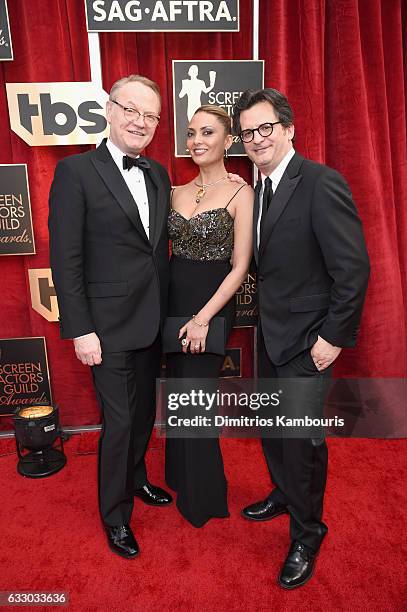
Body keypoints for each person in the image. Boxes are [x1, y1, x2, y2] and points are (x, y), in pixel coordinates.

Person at [232, 88, 370, 588]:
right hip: (270, 335)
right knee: (273, 429)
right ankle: (284, 493)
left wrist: (332, 338)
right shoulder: (257, 188)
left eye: (266, 127)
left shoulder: (320, 182)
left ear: (289, 129)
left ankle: (307, 533)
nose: (256, 139)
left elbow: (353, 270)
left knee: (303, 441)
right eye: (248, 132)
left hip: (309, 343)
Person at [48, 75, 173, 559]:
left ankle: (137, 478)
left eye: (150, 116)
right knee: (120, 422)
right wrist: (81, 328)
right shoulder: (75, 173)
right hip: (105, 327)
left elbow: (154, 252)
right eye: (131, 110)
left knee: (144, 415)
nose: (140, 122)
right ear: (109, 110)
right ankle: (116, 516)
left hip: (152, 319)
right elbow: (67, 259)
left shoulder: (158, 172)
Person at [165, 104, 254, 527]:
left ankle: (203, 498)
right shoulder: (174, 192)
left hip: (212, 308)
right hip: (172, 305)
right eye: (191, 133)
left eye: (207, 132)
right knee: (179, 394)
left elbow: (240, 266)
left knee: (196, 398)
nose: (197, 140)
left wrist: (202, 318)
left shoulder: (241, 192)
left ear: (228, 141)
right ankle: (180, 476)